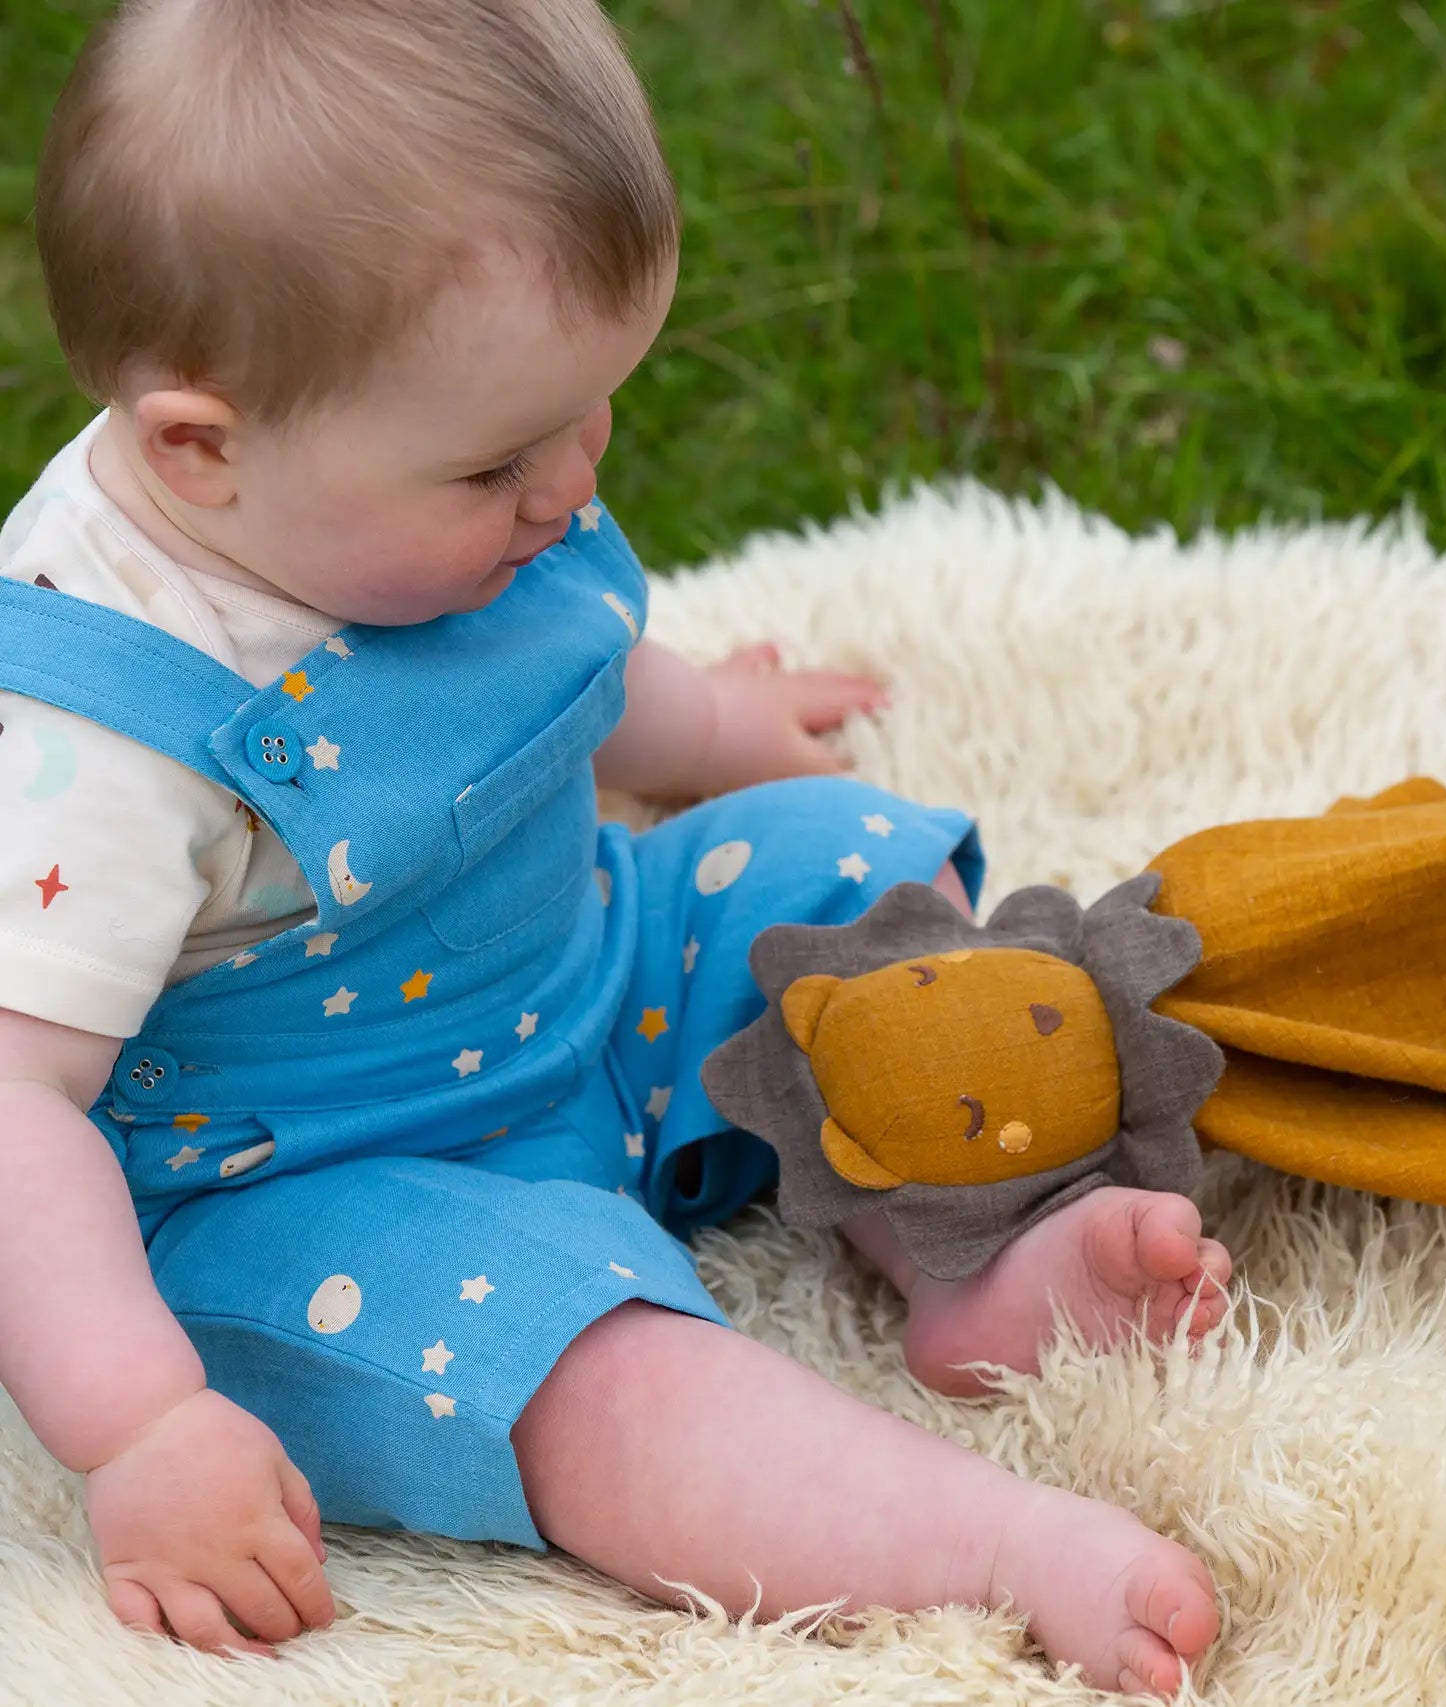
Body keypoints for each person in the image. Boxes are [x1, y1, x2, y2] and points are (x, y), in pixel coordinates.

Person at [0, 2, 1231, 1694]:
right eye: (503, 459)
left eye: (598, 412)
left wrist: (714, 732)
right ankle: (991, 1545)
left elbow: (548, 667)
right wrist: (138, 1423)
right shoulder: (97, 743)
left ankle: (960, 1255)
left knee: (847, 875)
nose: (575, 483)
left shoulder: (405, 480)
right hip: (312, 1188)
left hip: (589, 977)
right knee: (586, 1368)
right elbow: (15, 1100)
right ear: (197, 448)